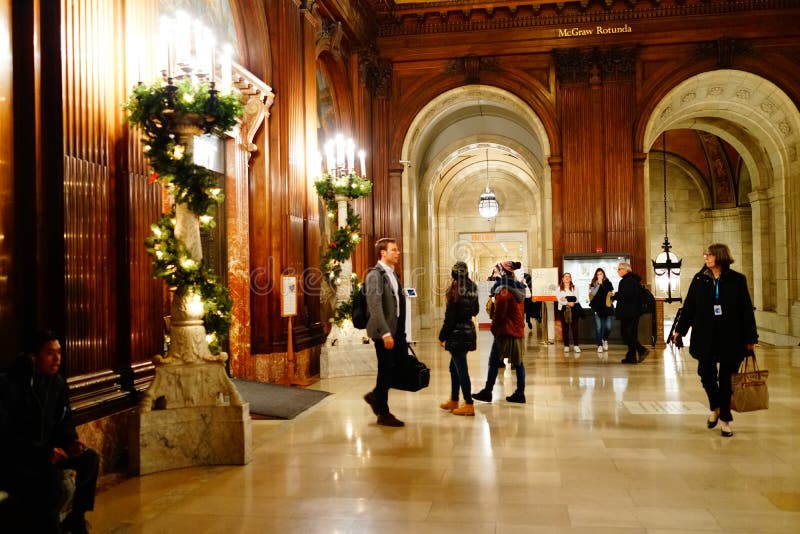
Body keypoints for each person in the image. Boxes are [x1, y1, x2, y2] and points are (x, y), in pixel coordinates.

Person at [0, 330, 99, 533]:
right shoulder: (10, 384)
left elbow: (64, 418)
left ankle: (76, 517)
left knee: (90, 459)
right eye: (50, 353)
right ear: (32, 357)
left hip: (50, 449)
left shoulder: (56, 382)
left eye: (59, 352)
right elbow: (8, 435)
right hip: (19, 458)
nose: (57, 359)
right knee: (51, 482)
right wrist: (45, 454)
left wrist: (71, 441)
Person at [672, 243, 758, 438]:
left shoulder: (737, 280)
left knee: (727, 380)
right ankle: (716, 406)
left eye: (709, 255)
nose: (706, 258)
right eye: (705, 255)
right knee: (705, 373)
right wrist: (680, 330)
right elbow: (689, 307)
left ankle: (725, 420)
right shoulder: (700, 279)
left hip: (731, 337)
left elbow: (746, 310)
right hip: (706, 336)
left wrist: (751, 338)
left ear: (719, 257)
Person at [363, 238, 407, 427]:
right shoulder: (375, 275)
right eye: (394, 250)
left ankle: (375, 396)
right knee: (385, 370)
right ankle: (383, 412)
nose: (398, 253)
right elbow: (374, 306)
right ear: (383, 252)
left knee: (395, 368)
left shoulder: (392, 274)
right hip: (384, 331)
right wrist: (385, 333)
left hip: (396, 330)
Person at [473, 261, 527, 403]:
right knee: (519, 362)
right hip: (517, 329)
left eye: (497, 271)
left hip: (505, 331)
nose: (495, 273)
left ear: (502, 272)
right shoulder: (520, 288)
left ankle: (488, 391)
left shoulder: (503, 290)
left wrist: (494, 328)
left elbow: (499, 314)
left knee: (493, 361)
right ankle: (520, 392)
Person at [438, 261, 480, 416]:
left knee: (461, 369)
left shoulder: (454, 290)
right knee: (453, 367)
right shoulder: (473, 287)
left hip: (457, 334)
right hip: (468, 330)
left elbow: (449, 319)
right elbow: (475, 310)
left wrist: (442, 336)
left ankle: (468, 403)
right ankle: (454, 399)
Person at [613, 262, 650, 364]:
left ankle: (641, 350)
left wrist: (615, 296)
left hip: (628, 312)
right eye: (618, 269)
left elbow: (627, 296)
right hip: (633, 312)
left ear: (626, 270)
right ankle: (631, 357)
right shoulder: (632, 280)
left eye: (620, 269)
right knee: (631, 334)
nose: (618, 271)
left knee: (626, 333)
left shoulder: (627, 281)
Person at [588, 268, 615, 360]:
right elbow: (593, 294)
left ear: (604, 275)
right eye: (598, 274)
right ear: (596, 275)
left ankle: (605, 339)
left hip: (607, 308)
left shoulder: (608, 282)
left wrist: (612, 295)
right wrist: (598, 285)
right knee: (599, 327)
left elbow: (612, 293)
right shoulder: (593, 284)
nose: (600, 275)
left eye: (601, 274)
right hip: (597, 308)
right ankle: (599, 345)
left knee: (608, 326)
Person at [556, 272, 582, 357]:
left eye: (569, 277)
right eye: (565, 277)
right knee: (565, 328)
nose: (567, 278)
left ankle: (576, 345)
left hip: (574, 309)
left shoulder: (575, 288)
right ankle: (566, 345)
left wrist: (567, 300)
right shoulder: (559, 288)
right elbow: (559, 299)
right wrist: (568, 302)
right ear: (562, 279)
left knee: (575, 328)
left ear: (570, 279)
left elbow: (577, 299)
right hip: (563, 309)